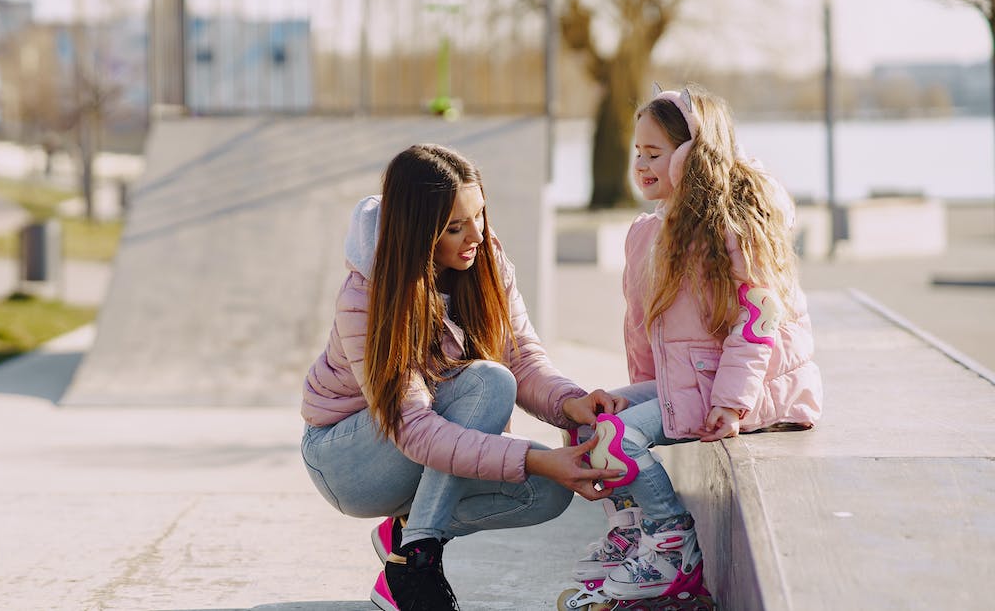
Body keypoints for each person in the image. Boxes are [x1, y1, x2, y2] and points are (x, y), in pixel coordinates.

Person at [301, 143, 628, 611]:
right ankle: (417, 565)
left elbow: (522, 357)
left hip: (417, 440)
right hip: (347, 457)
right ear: (418, 230)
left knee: (552, 491)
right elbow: (413, 428)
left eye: (479, 215)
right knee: (489, 383)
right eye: (455, 227)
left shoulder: (485, 261)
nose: (476, 234)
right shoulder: (368, 297)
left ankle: (404, 540)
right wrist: (534, 457)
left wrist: (570, 402)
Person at [575, 84, 824, 601]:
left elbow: (761, 318)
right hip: (691, 385)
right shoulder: (647, 233)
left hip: (743, 391)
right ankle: (635, 532)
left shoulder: (733, 225)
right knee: (589, 425)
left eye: (655, 153)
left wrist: (731, 404)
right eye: (636, 152)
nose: (641, 164)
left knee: (619, 440)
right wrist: (637, 394)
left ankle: (672, 543)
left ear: (690, 155)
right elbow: (641, 330)